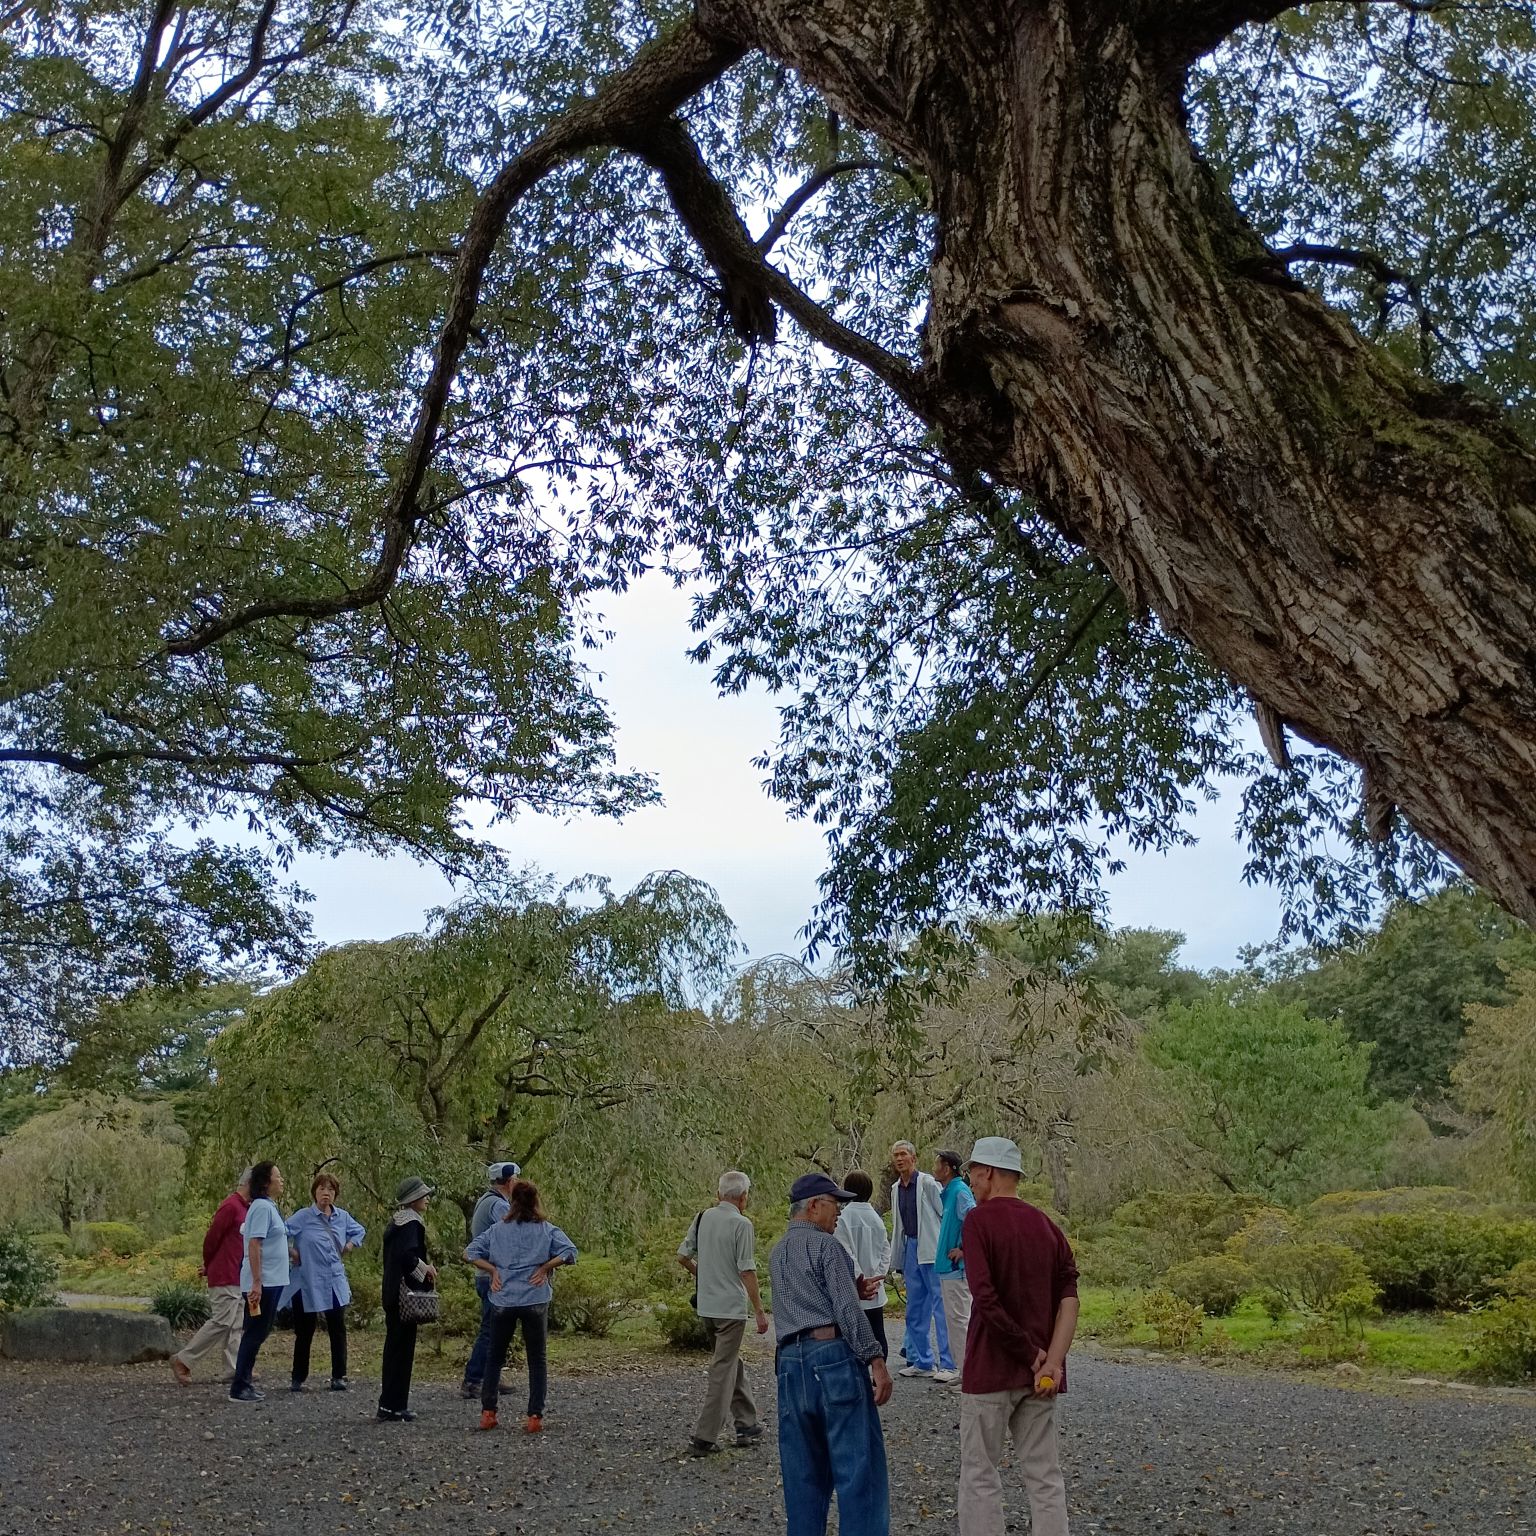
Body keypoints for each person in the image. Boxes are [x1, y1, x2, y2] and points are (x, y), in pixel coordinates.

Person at [957, 1136, 1079, 1536]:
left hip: (991, 1369)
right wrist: (1053, 1361)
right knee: (1044, 1475)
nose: (971, 1183)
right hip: (1039, 1378)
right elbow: (1069, 1298)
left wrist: (1030, 1355)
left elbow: (986, 1300)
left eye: (973, 1174)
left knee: (980, 1472)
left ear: (988, 1173)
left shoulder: (977, 1221)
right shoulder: (1047, 1226)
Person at [770, 1171, 894, 1536]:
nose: (839, 1211)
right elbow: (846, 1310)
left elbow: (804, 1299)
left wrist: (848, 1286)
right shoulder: (828, 1247)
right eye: (833, 1204)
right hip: (833, 1359)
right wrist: (876, 1359)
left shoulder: (777, 1253)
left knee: (802, 1473)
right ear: (812, 1207)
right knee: (859, 1468)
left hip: (790, 1363)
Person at [464, 1177, 577, 1433]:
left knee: (494, 1357)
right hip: (535, 1298)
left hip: (503, 1297)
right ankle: (534, 1416)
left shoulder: (497, 1230)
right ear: (536, 1201)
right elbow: (570, 1251)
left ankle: (488, 1412)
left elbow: (470, 1253)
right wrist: (546, 1267)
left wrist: (493, 1271)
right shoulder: (546, 1229)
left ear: (512, 1202)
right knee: (537, 1359)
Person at [677, 1169, 770, 1455]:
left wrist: (702, 1275)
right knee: (722, 1369)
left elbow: (683, 1256)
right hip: (730, 1308)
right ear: (744, 1198)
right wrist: (759, 1310)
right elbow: (747, 1269)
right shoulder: (742, 1224)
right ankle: (704, 1437)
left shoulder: (702, 1218)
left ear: (718, 1195)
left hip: (706, 1307)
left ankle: (747, 1424)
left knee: (730, 1363)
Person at [282, 1172, 366, 1393]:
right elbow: (278, 1233)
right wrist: (291, 1251)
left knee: (337, 1328)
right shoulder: (303, 1216)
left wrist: (350, 1245)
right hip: (307, 1281)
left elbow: (359, 1231)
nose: (325, 1193)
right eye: (321, 1189)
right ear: (314, 1192)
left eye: (330, 1189)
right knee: (304, 1330)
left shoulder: (343, 1217)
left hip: (333, 1281)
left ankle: (339, 1375)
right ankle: (298, 1377)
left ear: (335, 1194)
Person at [171, 1167, 251, 1386]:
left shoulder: (247, 1209)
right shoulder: (231, 1206)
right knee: (222, 1321)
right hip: (224, 1273)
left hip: (239, 1274)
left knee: (235, 1323)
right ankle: (183, 1359)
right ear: (248, 1184)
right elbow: (212, 1238)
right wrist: (209, 1265)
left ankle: (232, 1369)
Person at [888, 1140, 953, 1381]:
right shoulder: (896, 1188)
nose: (899, 1159)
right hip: (911, 1247)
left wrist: (946, 1245)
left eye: (903, 1154)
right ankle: (922, 1360)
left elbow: (943, 1213)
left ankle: (949, 1363)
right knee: (915, 1307)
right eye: (896, 1155)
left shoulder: (926, 1183)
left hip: (931, 1247)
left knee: (940, 1306)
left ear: (913, 1158)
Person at [228, 1161, 289, 1403]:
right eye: (278, 1176)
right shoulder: (262, 1208)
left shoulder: (267, 1207)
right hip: (264, 1281)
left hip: (272, 1279)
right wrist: (256, 1282)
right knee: (254, 1332)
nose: (281, 1180)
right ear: (265, 1182)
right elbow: (255, 1243)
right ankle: (239, 1385)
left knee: (259, 1332)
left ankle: (245, 1382)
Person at [379, 1175, 437, 1422]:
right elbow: (408, 1257)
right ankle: (396, 1405)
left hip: (391, 1292)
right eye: (424, 1195)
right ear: (413, 1199)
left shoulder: (396, 1222)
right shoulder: (412, 1223)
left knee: (392, 1348)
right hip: (406, 1296)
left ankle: (387, 1404)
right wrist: (426, 1271)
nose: (427, 1199)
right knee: (402, 1351)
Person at [460, 1160, 520, 1399]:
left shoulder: (487, 1201)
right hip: (491, 1275)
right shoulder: (497, 1205)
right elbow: (514, 1233)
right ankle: (474, 1379)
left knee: (496, 1328)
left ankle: (490, 1377)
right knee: (491, 1329)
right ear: (509, 1181)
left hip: (486, 1274)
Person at [834, 1170, 892, 1358]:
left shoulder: (842, 1218)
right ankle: (879, 1376)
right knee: (877, 1333)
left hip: (855, 1288)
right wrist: (878, 1279)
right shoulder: (876, 1219)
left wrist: (861, 1279)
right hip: (875, 1288)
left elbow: (845, 1253)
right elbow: (885, 1250)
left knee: (852, 1337)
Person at [933, 1148, 975, 1384]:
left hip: (956, 1268)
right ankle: (963, 1370)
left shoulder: (959, 1192)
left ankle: (969, 1373)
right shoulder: (949, 1192)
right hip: (948, 1267)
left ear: (947, 1168)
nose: (934, 1168)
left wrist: (964, 1249)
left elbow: (973, 1218)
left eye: (937, 1163)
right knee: (955, 1321)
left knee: (960, 1320)